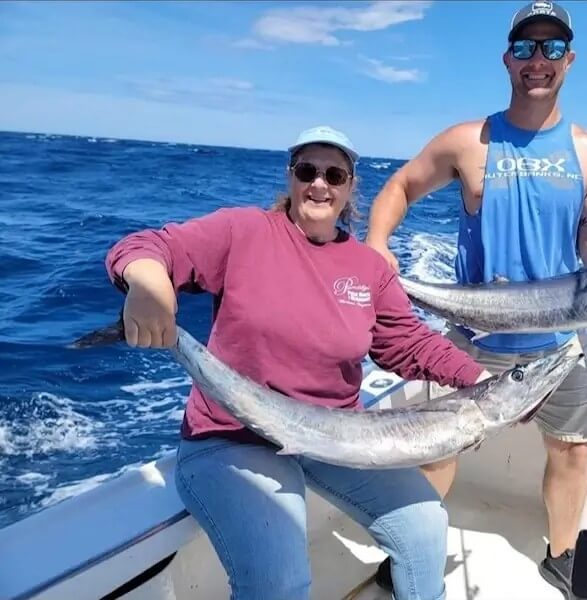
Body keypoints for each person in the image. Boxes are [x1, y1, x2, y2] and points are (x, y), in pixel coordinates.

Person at [364, 2, 587, 598]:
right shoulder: (468, 140)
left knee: (572, 452)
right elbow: (403, 185)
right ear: (508, 58)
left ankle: (561, 555)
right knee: (441, 447)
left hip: (560, 342)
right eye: (528, 47)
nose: (540, 60)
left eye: (553, 48)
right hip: (477, 333)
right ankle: (415, 546)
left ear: (570, 60)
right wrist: (377, 244)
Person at [104, 125, 492, 600]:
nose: (319, 184)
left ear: (351, 187)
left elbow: (407, 343)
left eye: (335, 173)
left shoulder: (367, 267)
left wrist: (482, 381)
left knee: (426, 523)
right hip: (233, 436)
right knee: (281, 583)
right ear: (290, 177)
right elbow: (147, 248)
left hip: (336, 436)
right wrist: (148, 285)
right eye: (307, 170)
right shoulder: (242, 231)